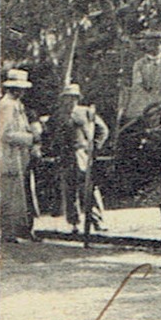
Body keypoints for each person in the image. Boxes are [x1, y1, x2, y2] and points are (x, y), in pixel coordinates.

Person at [52, 83, 108, 232]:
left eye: (74, 98)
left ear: (78, 99)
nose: (71, 101)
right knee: (69, 189)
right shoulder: (59, 115)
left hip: (82, 153)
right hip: (66, 155)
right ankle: (74, 223)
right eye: (68, 98)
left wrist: (95, 146)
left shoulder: (86, 112)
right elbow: (54, 135)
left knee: (89, 187)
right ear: (63, 99)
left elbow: (103, 129)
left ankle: (97, 221)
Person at [0, 69, 40, 243]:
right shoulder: (7, 105)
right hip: (8, 157)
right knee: (8, 196)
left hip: (17, 158)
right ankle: (7, 232)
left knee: (15, 197)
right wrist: (30, 138)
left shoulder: (17, 105)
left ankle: (13, 230)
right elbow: (5, 133)